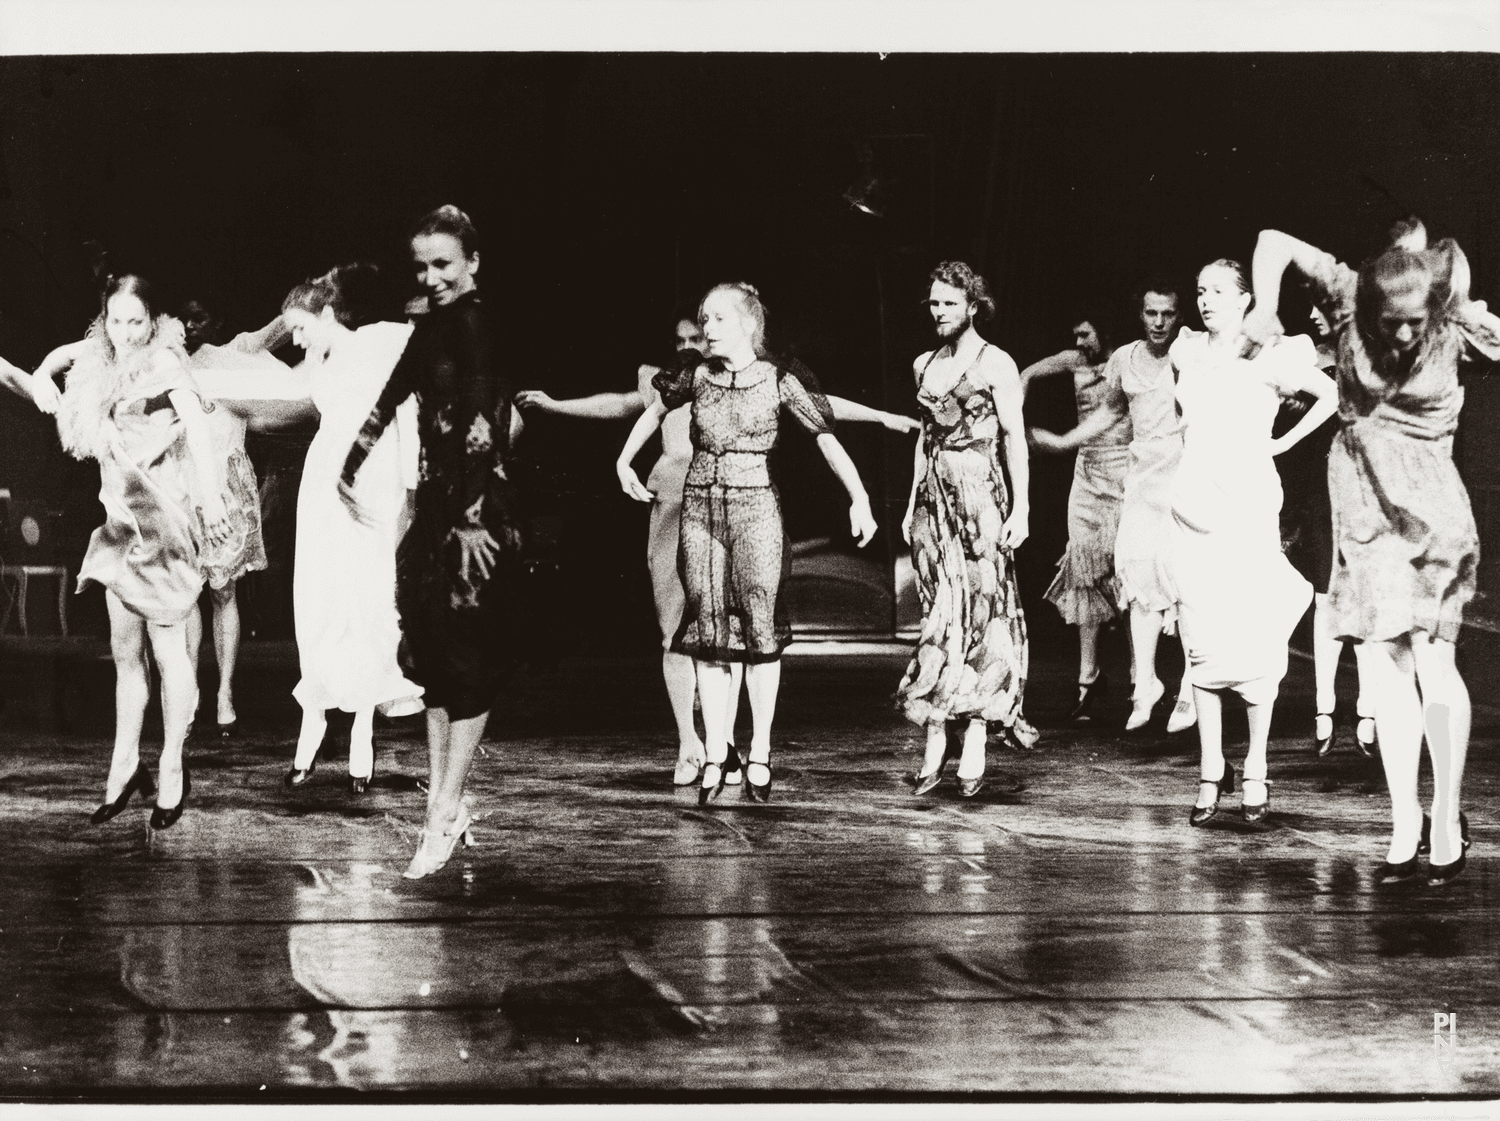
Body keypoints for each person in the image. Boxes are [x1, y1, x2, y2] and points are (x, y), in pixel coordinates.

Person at [518, 319, 917, 786]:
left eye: (698, 336)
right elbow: (620, 405)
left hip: (740, 505)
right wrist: (555, 406)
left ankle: (723, 744)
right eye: (681, 339)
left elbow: (817, 409)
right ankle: (691, 744)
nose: (690, 345)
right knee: (676, 628)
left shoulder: (754, 376)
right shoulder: (673, 380)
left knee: (731, 628)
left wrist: (883, 417)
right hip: (675, 504)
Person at [1247, 228, 1500, 882]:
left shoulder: (1455, 324)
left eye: (1419, 323)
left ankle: (1445, 814)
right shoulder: (1347, 294)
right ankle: (1404, 818)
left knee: (1434, 657)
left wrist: (1476, 315)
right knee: (1383, 665)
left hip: (1434, 512)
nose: (1407, 336)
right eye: (1395, 324)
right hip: (1362, 508)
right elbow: (1272, 241)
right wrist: (1266, 305)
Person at [616, 282, 878, 806]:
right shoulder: (694, 375)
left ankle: (758, 751)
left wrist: (860, 497)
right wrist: (624, 460)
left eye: (715, 319)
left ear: (747, 324)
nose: (705, 329)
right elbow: (652, 409)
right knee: (709, 632)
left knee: (759, 632)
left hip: (756, 509)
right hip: (701, 511)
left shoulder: (778, 379)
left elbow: (826, 436)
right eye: (702, 319)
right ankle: (717, 751)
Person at [341, 206, 523, 878]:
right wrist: (350, 459)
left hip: (474, 511)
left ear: (473, 262)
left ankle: (443, 809)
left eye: (443, 263)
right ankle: (442, 808)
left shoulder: (477, 324)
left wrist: (473, 518)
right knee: (437, 660)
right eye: (421, 266)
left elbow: (483, 421)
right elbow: (394, 393)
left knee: (466, 658)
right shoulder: (435, 325)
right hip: (435, 506)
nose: (431, 276)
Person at [29, 274, 233, 830]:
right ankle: (124, 767)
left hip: (162, 524)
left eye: (135, 322)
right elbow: (57, 356)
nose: (124, 333)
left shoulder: (166, 362)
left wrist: (213, 497)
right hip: (119, 523)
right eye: (116, 321)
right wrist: (45, 374)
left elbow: (196, 421)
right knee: (125, 655)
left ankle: (172, 767)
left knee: (170, 657)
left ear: (153, 321)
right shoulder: (99, 351)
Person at [1172, 259, 1335, 829]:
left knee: (1254, 640)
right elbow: (1185, 418)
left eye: (1218, 290)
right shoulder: (1187, 352)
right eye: (1200, 289)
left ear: (1246, 299)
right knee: (1202, 642)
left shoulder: (1271, 354)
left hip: (1246, 508)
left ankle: (1258, 765)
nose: (1206, 299)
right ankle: (1211, 768)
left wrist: (1281, 442)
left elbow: (1331, 396)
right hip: (1193, 509)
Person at [282, 265, 425, 795]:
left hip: (371, 480)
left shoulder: (378, 340)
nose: (295, 339)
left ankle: (363, 732)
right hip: (322, 483)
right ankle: (312, 724)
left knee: (366, 603)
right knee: (317, 601)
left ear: (324, 313)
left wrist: (410, 486)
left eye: (300, 326)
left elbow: (405, 406)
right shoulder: (315, 364)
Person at [897, 261, 1034, 797]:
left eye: (949, 303)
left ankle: (975, 731)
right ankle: (937, 730)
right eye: (933, 303)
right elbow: (924, 441)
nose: (939, 311)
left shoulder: (996, 362)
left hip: (980, 492)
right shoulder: (922, 364)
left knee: (984, 609)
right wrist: (912, 504)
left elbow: (1015, 439)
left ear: (973, 306)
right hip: (936, 499)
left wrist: (1021, 509)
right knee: (940, 612)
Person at [178, 299, 285, 737]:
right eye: (184, 316)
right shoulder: (171, 362)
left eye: (200, 316)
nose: (190, 325)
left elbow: (275, 332)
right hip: (181, 486)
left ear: (218, 319)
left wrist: (308, 302)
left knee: (223, 592)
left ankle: (224, 692)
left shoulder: (238, 354)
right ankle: (189, 694)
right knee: (185, 596)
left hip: (226, 485)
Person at [1274, 303, 1377, 757]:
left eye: (1324, 303)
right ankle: (1324, 710)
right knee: (1324, 597)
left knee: (1367, 603)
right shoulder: (1307, 356)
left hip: (1365, 491)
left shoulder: (1376, 354)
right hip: (1319, 491)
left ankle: (1368, 711)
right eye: (1309, 303)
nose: (1314, 312)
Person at [1023, 313, 1128, 721]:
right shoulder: (1074, 359)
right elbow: (1029, 371)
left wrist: (1061, 442)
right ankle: (1088, 677)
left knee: (1126, 576)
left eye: (1086, 332)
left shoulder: (1128, 359)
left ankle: (1142, 679)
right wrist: (1020, 394)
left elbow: (1120, 414)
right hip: (1086, 475)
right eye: (1076, 333)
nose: (1081, 340)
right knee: (1084, 571)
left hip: (1124, 473)